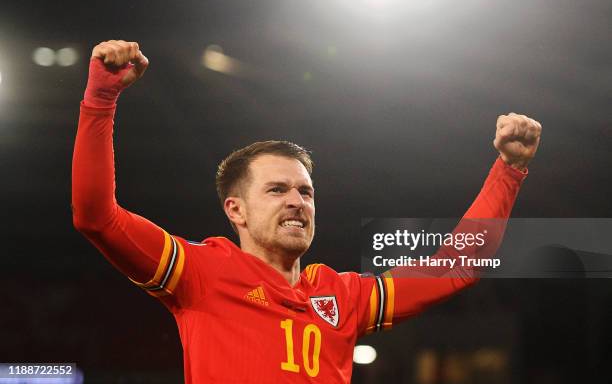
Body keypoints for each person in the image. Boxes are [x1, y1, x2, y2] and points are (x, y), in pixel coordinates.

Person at [72, 40, 542, 383]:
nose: (297, 201)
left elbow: (458, 266)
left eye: (306, 191)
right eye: (277, 190)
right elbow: (96, 217)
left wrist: (510, 169)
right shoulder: (200, 273)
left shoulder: (344, 297)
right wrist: (101, 101)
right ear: (235, 210)